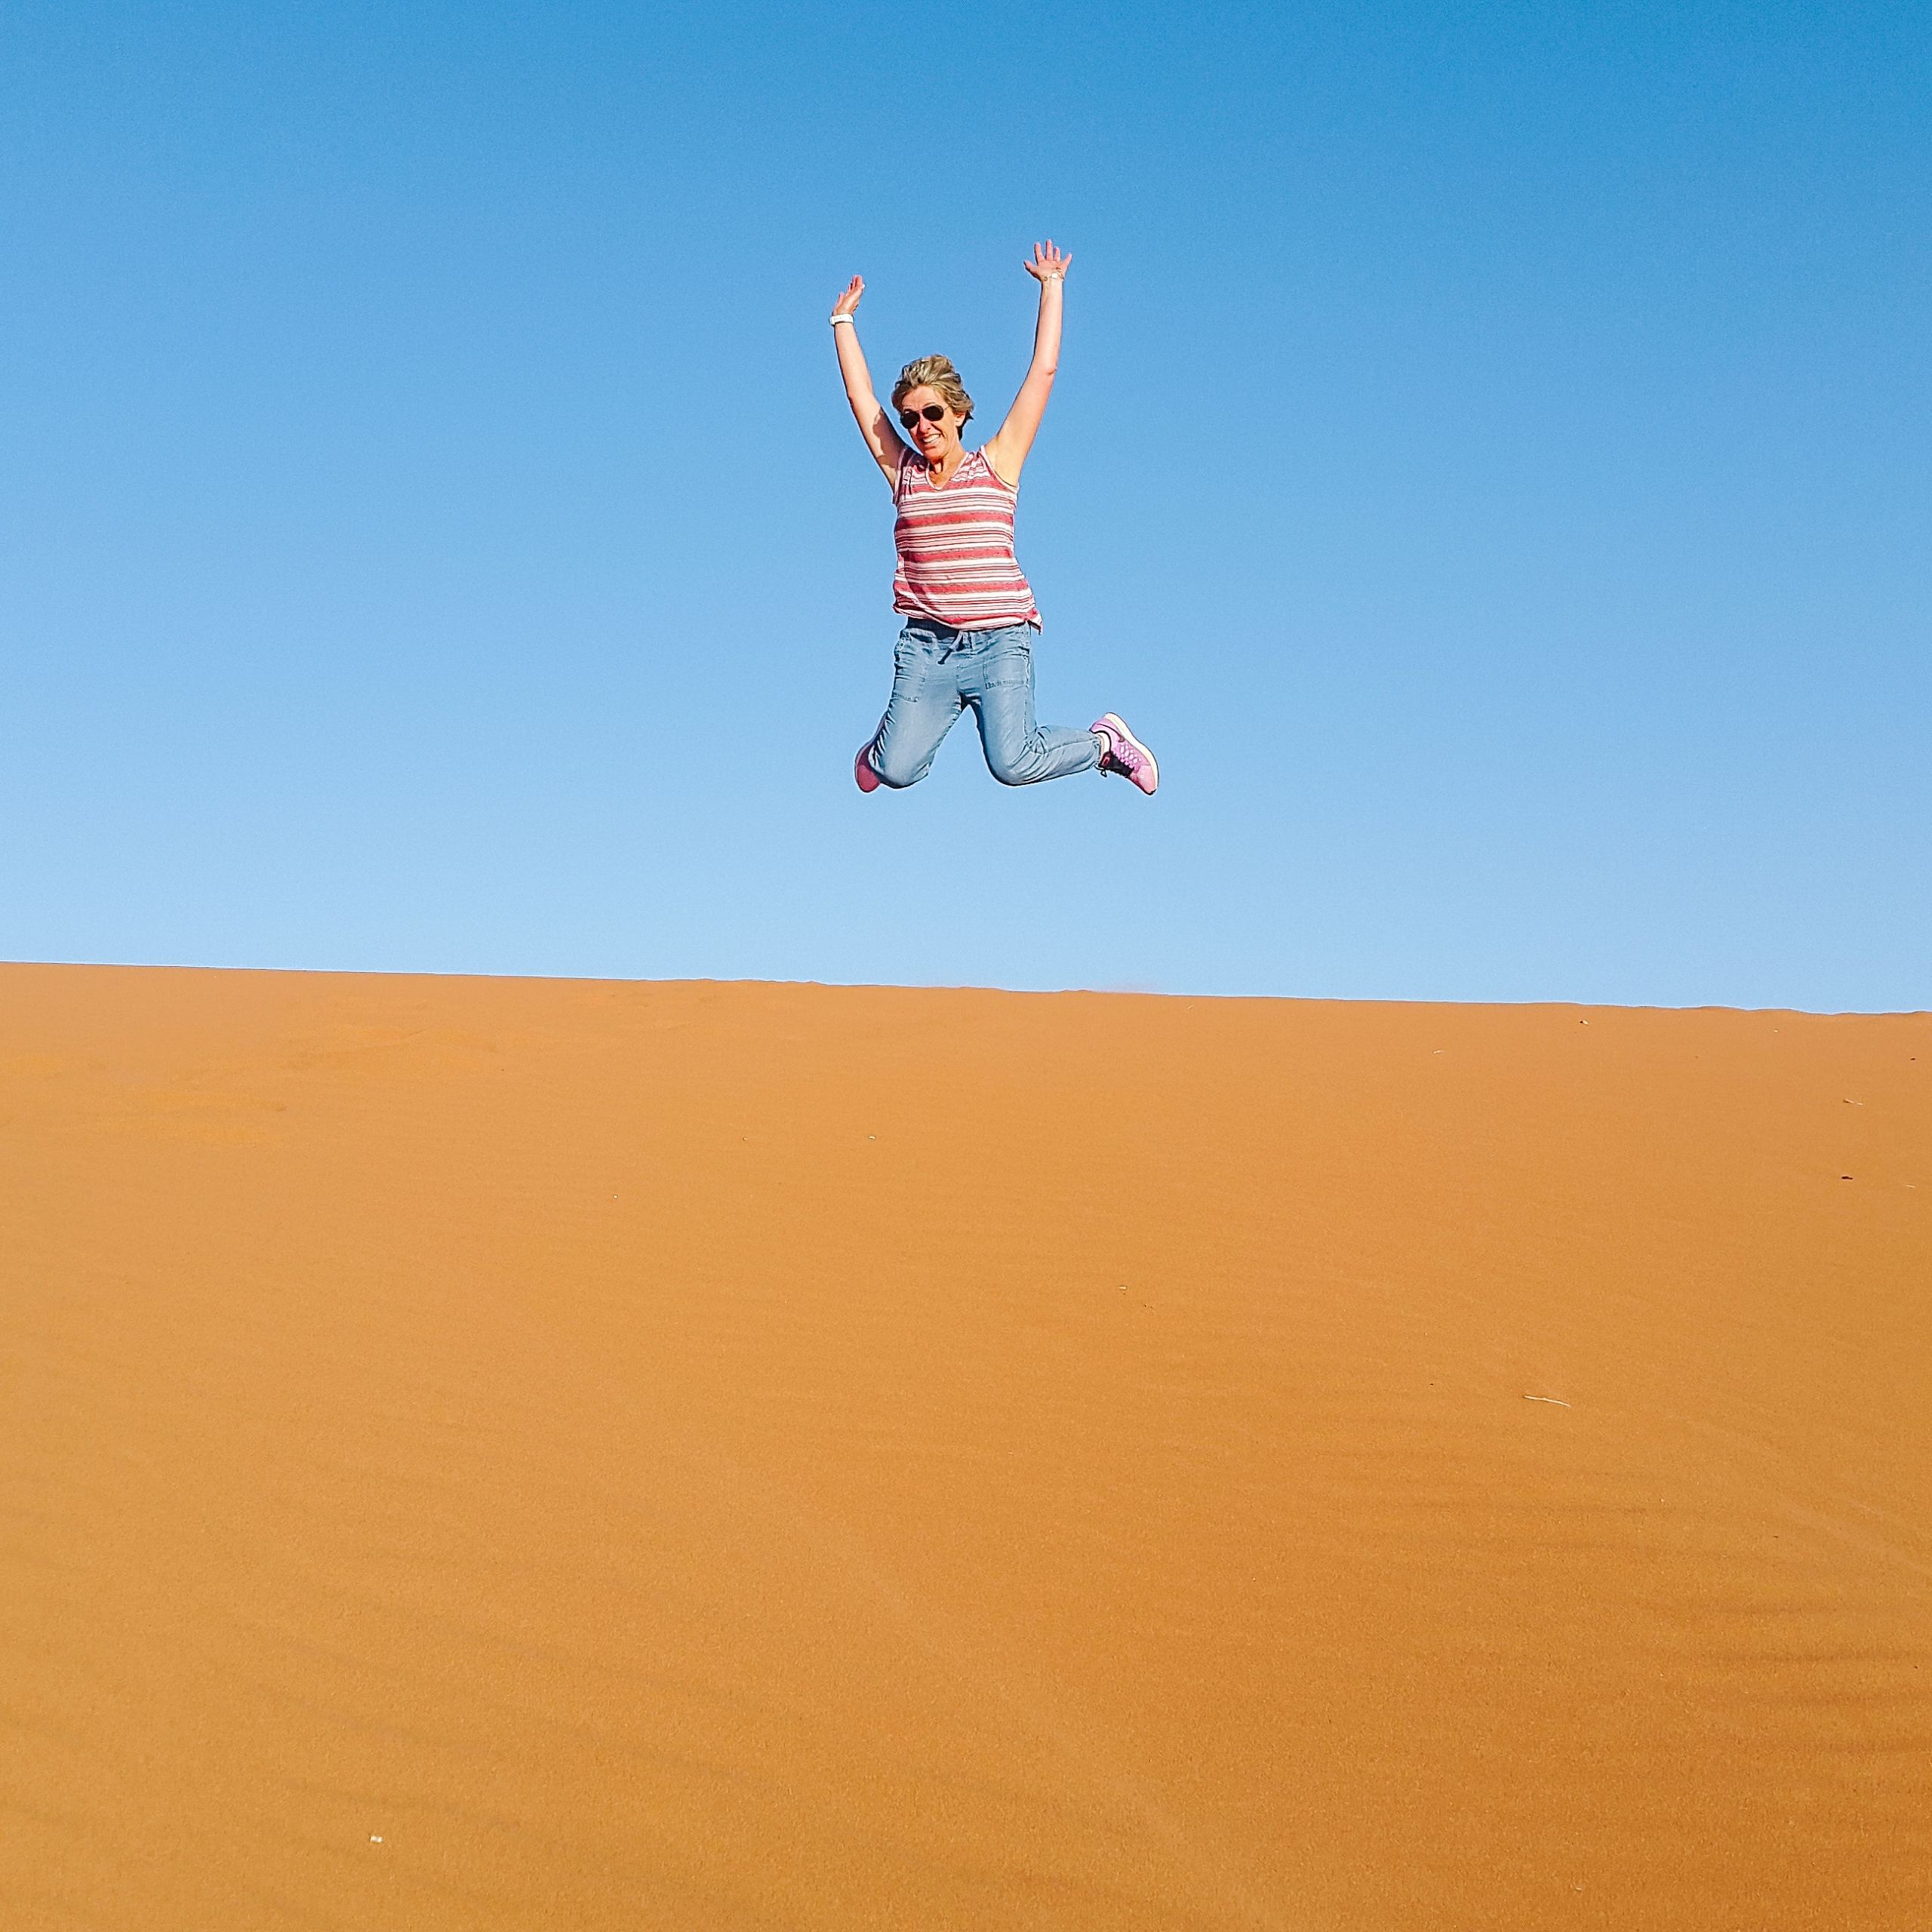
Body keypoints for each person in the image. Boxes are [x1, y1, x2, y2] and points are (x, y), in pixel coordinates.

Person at [830, 241, 1158, 797]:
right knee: (895, 771)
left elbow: (1043, 372)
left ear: (959, 414)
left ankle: (1105, 745)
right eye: (910, 418)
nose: (921, 426)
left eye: (933, 413)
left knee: (1013, 763)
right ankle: (885, 749)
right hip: (928, 646)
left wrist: (1052, 286)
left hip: (999, 641)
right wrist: (842, 321)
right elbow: (862, 400)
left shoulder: (997, 463)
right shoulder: (903, 473)